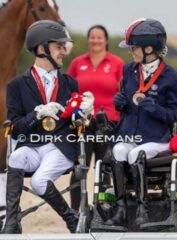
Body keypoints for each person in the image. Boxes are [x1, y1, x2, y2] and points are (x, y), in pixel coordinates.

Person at [2, 20, 94, 234]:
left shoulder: (70, 83)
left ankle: (70, 218)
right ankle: (11, 221)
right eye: (59, 46)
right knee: (15, 158)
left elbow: (77, 122)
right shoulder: (16, 85)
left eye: (63, 47)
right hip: (32, 146)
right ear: (42, 49)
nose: (64, 51)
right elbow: (15, 129)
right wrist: (37, 114)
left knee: (39, 181)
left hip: (61, 147)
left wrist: (85, 112)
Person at [105, 18, 177, 228]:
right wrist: (121, 104)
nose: (131, 52)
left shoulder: (171, 77)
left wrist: (154, 108)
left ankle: (142, 209)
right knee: (119, 150)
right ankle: (121, 209)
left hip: (156, 137)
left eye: (134, 48)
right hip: (132, 134)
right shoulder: (128, 71)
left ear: (149, 49)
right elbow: (127, 103)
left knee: (133, 154)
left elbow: (174, 114)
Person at [67, 25, 124, 210]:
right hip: (82, 122)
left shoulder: (116, 63)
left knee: (104, 168)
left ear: (106, 40)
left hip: (108, 122)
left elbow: (123, 92)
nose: (96, 40)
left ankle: (104, 209)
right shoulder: (77, 62)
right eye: (92, 37)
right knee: (79, 168)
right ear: (88, 39)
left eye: (99, 37)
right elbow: (68, 90)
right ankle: (76, 212)